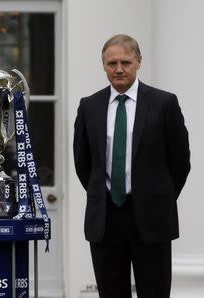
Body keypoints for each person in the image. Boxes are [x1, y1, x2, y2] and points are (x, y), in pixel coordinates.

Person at [73, 34, 190, 298]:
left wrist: (159, 195)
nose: (118, 69)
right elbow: (83, 163)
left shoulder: (164, 104)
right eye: (111, 63)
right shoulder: (89, 106)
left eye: (125, 62)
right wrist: (105, 194)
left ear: (139, 62)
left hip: (152, 218)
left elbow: (180, 161)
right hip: (106, 219)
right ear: (103, 65)